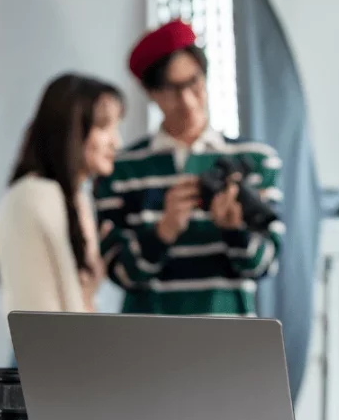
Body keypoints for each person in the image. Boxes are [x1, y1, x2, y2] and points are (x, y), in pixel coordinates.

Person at [94, 20, 283, 316]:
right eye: (171, 90)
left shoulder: (257, 160)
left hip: (229, 341)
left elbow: (266, 264)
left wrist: (235, 232)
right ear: (150, 93)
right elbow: (120, 274)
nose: (187, 100)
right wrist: (163, 231)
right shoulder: (120, 170)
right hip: (147, 344)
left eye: (194, 83)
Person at [0, 73, 125, 316]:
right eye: (104, 127)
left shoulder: (76, 197)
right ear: (72, 127)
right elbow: (40, 319)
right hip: (47, 351)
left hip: (64, 349)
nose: (117, 142)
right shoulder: (34, 197)